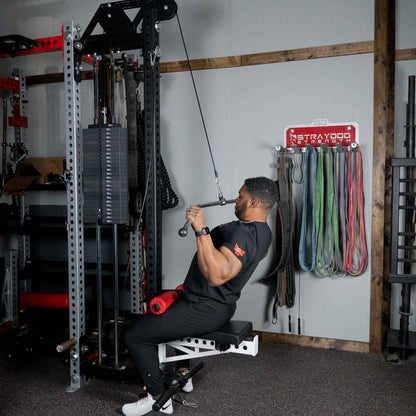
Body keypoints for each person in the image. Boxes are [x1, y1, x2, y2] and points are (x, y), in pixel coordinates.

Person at [122, 176, 278, 416]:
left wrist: (201, 229)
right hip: (216, 303)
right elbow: (254, 254)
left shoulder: (244, 234)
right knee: (167, 310)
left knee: (135, 336)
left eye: (241, 196)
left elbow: (217, 276)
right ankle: (184, 374)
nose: (236, 200)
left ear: (254, 203)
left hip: (205, 308)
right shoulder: (263, 231)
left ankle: (158, 398)